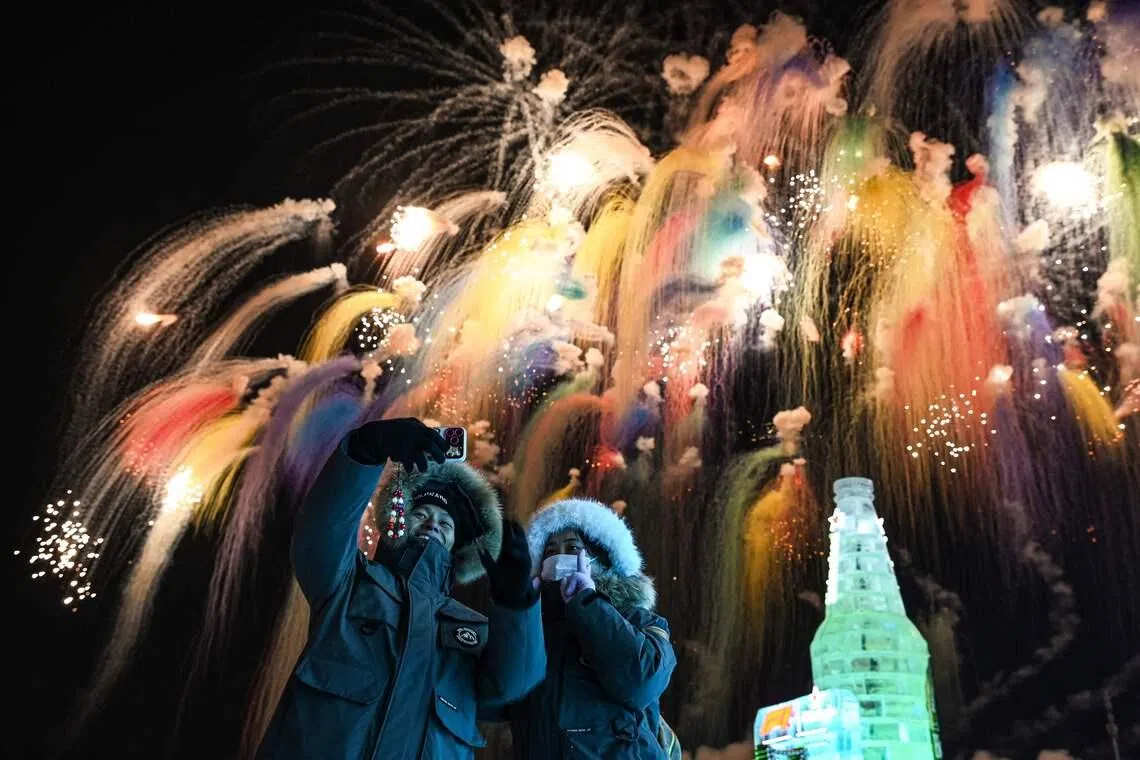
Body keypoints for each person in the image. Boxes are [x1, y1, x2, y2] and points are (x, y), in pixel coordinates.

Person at [257, 418, 545, 760]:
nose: (432, 525)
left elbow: (514, 684)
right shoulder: (348, 583)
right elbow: (320, 535)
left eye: (446, 523)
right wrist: (364, 451)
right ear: (398, 519)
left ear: (458, 546)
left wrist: (517, 603)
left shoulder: (474, 629)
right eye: (421, 513)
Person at [500, 497, 677, 759]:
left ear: (603, 560)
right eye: (550, 552)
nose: (559, 558)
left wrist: (587, 603)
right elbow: (498, 695)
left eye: (572, 548)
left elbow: (642, 681)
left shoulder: (640, 622)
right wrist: (519, 613)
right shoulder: (535, 629)